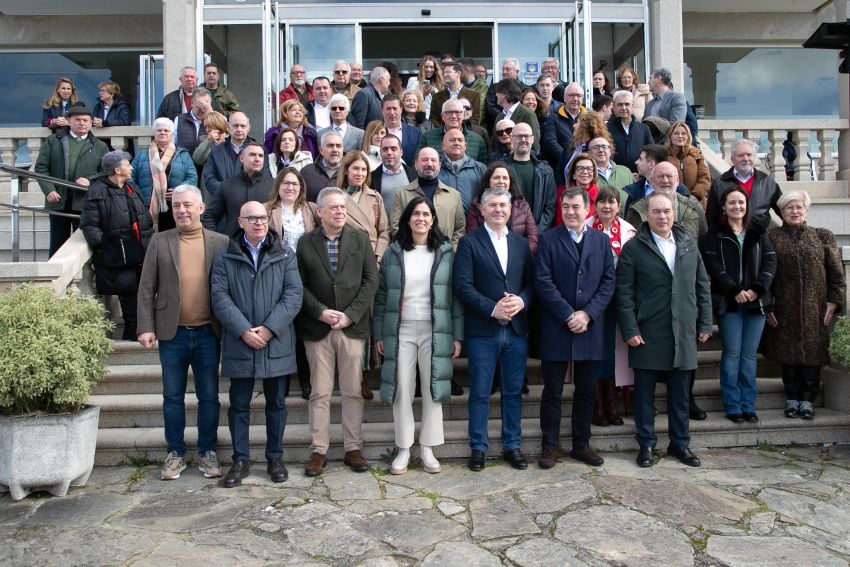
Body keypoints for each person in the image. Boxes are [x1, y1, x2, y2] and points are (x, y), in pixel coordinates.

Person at [137, 184, 230, 481]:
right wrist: (145, 326)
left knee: (209, 397)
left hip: (208, 332)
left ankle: (207, 452)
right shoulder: (160, 241)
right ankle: (175, 453)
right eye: (177, 205)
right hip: (171, 333)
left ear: (201, 208)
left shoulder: (220, 242)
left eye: (188, 205)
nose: (182, 210)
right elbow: (146, 287)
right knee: (172, 397)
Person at [616, 192, 713, 468]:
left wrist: (705, 322)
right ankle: (646, 444)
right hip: (648, 332)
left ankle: (680, 444)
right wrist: (630, 329)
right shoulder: (634, 248)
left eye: (666, 212)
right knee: (644, 396)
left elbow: (702, 286)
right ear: (647, 215)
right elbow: (624, 295)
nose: (662, 217)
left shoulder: (688, 245)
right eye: (656, 212)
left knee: (681, 395)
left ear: (673, 213)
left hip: (682, 332)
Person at [211, 200, 303, 487]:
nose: (259, 223)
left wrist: (269, 329)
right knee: (239, 405)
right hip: (241, 342)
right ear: (240, 222)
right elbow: (220, 296)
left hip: (275, 342)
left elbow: (293, 295)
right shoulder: (225, 255)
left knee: (276, 403)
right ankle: (241, 460)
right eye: (252, 218)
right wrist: (242, 330)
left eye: (263, 218)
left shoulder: (284, 252)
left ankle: (275, 458)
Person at [374, 197, 463, 475]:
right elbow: (380, 296)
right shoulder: (394, 251)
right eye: (416, 214)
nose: (421, 218)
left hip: (435, 329)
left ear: (433, 219)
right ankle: (403, 448)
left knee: (432, 388)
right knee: (402, 388)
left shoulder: (446, 252)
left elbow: (454, 297)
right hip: (401, 329)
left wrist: (457, 336)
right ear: (408, 219)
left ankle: (428, 448)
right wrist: (379, 333)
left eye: (426, 214)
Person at [297, 187, 379, 476]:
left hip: (352, 327)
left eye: (343, 207)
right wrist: (320, 311)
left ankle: (352, 448)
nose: (340, 211)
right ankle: (318, 450)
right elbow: (299, 285)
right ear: (320, 212)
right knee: (319, 392)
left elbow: (371, 280)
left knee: (353, 392)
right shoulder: (305, 243)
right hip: (317, 327)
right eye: (333, 207)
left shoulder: (359, 240)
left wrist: (350, 314)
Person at [453, 188, 535, 472]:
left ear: (511, 210)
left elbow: (531, 284)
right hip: (483, 330)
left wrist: (522, 301)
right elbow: (462, 285)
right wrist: (492, 308)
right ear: (482, 210)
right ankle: (479, 447)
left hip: (516, 330)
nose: (499, 209)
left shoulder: (522, 245)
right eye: (493, 205)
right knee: (480, 391)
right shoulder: (469, 243)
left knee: (512, 391)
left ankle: (512, 445)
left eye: (503, 205)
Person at [535, 187, 615, 468]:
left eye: (575, 207)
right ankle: (550, 446)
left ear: (587, 209)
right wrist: (569, 314)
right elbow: (543, 282)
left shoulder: (601, 242)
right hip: (557, 325)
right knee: (552, 391)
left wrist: (588, 314)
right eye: (565, 206)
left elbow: (608, 283)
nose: (570, 211)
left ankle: (581, 444)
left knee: (586, 390)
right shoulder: (548, 239)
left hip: (590, 328)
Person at [762, 191, 845, 420]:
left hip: (815, 307)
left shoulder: (822, 236)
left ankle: (807, 399)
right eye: (789, 208)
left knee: (813, 353)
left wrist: (833, 302)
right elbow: (765, 273)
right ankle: (792, 398)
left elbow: (836, 273)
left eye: (799, 207)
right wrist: (767, 304)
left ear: (806, 210)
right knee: (788, 354)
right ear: (782, 212)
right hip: (784, 307)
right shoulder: (772, 237)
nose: (794, 211)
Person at [700, 188, 776, 423]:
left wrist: (757, 289)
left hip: (756, 303)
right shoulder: (716, 234)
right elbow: (712, 265)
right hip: (729, 302)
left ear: (747, 205)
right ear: (723, 206)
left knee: (749, 356)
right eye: (732, 202)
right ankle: (733, 404)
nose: (737, 206)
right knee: (732, 354)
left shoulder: (759, 231)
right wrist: (735, 290)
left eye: (741, 202)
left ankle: (748, 405)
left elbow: (770, 261)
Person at [80, 151, 154, 340]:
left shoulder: (132, 187)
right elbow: (89, 225)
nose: (131, 167)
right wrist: (107, 246)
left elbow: (144, 218)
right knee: (129, 300)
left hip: (141, 252)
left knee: (143, 296)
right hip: (117, 257)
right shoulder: (97, 191)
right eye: (127, 164)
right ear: (117, 170)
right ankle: (132, 336)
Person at [585, 187, 637, 425]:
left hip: (619, 299)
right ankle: (596, 405)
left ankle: (612, 405)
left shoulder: (628, 231)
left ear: (619, 206)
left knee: (615, 353)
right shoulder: (584, 227)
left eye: (612, 202)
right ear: (595, 205)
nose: (607, 206)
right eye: (602, 202)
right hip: (593, 300)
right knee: (598, 351)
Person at [266, 167, 318, 400]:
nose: (290, 187)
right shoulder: (268, 210)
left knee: (302, 331)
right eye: (286, 183)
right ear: (278, 185)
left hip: (306, 276)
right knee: (282, 330)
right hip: (277, 276)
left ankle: (306, 381)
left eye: (295, 184)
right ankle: (281, 383)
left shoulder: (311, 209)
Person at [35, 104, 108, 257]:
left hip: (85, 202)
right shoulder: (53, 141)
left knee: (84, 246)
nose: (82, 123)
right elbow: (41, 168)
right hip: (58, 201)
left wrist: (89, 180)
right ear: (69, 121)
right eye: (78, 120)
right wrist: (49, 190)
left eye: (86, 120)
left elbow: (106, 172)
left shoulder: (100, 146)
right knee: (57, 244)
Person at [391, 147, 466, 251]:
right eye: (424, 160)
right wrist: (411, 249)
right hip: (410, 254)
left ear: (439, 165)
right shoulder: (401, 194)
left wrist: (451, 252)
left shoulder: (454, 195)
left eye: (433, 160)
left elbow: (460, 229)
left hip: (445, 256)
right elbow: (396, 227)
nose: (429, 164)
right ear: (416, 164)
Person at [131, 117, 198, 230]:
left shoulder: (183, 154)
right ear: (154, 133)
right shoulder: (142, 154)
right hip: (146, 205)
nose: (162, 132)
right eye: (159, 130)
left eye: (166, 130)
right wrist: (138, 196)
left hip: (174, 205)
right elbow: (130, 177)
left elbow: (192, 177)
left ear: (172, 133)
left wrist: (179, 191)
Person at [706, 138, 782, 232]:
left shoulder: (768, 183)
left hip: (759, 239)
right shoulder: (719, 184)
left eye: (749, 155)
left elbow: (785, 211)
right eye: (740, 155)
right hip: (729, 239)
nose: (746, 159)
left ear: (754, 157)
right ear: (732, 159)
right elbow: (711, 218)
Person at [466, 162, 539, 254]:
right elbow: (473, 238)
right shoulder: (476, 206)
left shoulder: (523, 205)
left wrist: (517, 256)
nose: (501, 181)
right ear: (488, 181)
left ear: (510, 182)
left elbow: (532, 237)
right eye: (496, 177)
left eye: (505, 178)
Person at [626, 161, 707, 243]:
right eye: (660, 176)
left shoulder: (693, 205)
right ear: (652, 181)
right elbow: (630, 242)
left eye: (669, 176)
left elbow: (705, 241)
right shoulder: (637, 209)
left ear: (677, 180)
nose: (665, 180)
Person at [203, 142, 273, 236]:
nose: (257, 159)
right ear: (242, 158)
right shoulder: (227, 185)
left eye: (260, 156)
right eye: (252, 155)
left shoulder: (273, 185)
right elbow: (210, 216)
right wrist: (216, 240)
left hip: (266, 246)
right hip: (233, 246)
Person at [503, 122, 556, 234]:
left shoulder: (545, 171)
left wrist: (536, 232)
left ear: (532, 139)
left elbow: (550, 206)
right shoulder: (501, 169)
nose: (523, 139)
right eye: (519, 136)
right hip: (508, 234)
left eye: (527, 136)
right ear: (511, 139)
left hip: (538, 235)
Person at [338, 150, 391, 262]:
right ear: (346, 170)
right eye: (356, 168)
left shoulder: (375, 197)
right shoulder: (335, 197)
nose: (360, 173)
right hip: (344, 256)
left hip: (370, 256)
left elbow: (385, 231)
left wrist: (378, 256)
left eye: (364, 169)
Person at [203, 111, 269, 198]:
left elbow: (264, 177)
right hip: (223, 203)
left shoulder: (259, 151)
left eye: (243, 126)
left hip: (250, 202)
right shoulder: (217, 150)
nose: (239, 129)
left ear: (248, 128)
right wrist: (227, 192)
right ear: (228, 127)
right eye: (235, 125)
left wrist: (245, 193)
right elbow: (209, 178)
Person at [419, 99, 489, 164]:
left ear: (463, 114)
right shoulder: (427, 137)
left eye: (457, 112)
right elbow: (418, 163)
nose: (454, 116)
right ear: (442, 116)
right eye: (449, 112)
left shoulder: (477, 140)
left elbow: (484, 169)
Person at [437, 128, 486, 212]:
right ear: (443, 146)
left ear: (465, 145)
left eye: (460, 140)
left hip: (472, 222)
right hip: (443, 221)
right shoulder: (435, 168)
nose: (456, 143)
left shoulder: (480, 168)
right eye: (452, 140)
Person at [607, 90, 654, 175]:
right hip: (615, 177)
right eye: (620, 104)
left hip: (639, 178)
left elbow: (651, 154)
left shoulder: (644, 129)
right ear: (613, 107)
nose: (624, 108)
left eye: (627, 104)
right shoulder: (606, 129)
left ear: (632, 106)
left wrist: (641, 174)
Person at [543, 82, 585, 173]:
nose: (575, 98)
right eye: (571, 95)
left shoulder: (589, 118)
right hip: (561, 167)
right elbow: (551, 142)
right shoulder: (553, 118)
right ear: (565, 98)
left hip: (585, 167)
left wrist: (583, 160)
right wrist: (568, 159)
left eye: (579, 96)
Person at [371, 134, 417, 215]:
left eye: (393, 149)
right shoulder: (371, 178)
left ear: (401, 152)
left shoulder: (415, 175)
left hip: (408, 226)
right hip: (383, 227)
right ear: (380, 152)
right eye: (385, 149)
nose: (389, 152)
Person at [666, 121, 710, 203]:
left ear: (688, 136)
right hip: (672, 202)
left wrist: (694, 196)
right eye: (676, 133)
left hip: (696, 203)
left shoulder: (697, 155)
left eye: (683, 133)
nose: (680, 136)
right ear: (670, 136)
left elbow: (704, 178)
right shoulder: (663, 155)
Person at [493, 79, 540, 154]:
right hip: (501, 162)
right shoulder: (499, 117)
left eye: (497, 92)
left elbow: (534, 145)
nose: (496, 95)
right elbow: (494, 144)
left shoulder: (527, 114)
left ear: (504, 94)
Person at [430, 62, 482, 128]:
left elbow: (476, 118)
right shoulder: (437, 96)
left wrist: (463, 131)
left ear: (458, 74)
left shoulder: (474, 95)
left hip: (466, 135)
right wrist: (443, 131)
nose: (445, 75)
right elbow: (433, 119)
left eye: (448, 72)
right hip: (442, 135)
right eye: (444, 73)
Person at [554, 153, 599, 226]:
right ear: (573, 174)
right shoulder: (560, 194)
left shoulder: (600, 196)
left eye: (589, 169)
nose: (585, 172)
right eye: (580, 168)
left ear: (594, 174)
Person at [301, 131, 344, 202]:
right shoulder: (307, 172)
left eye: (338, 146)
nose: (335, 149)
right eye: (330, 145)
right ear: (321, 150)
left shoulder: (350, 172)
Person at [381, 93, 422, 166]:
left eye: (395, 108)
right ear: (382, 110)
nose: (392, 112)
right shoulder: (375, 133)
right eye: (388, 109)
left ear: (401, 109)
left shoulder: (416, 133)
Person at [588, 136, 631, 200]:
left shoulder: (625, 171)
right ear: (589, 152)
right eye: (596, 147)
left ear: (610, 151)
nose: (601, 150)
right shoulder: (586, 173)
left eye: (604, 147)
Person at [172, 87, 212, 156]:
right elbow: (172, 144)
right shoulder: (179, 119)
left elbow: (223, 138)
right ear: (192, 103)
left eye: (205, 103)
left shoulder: (216, 119)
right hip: (185, 164)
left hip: (207, 164)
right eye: (199, 103)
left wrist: (210, 113)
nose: (202, 108)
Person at [406, 55, 443, 121]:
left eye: (431, 67)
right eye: (426, 67)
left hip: (432, 120)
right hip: (417, 119)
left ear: (435, 69)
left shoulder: (437, 86)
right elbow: (409, 101)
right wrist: (423, 95)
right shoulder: (413, 81)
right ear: (422, 68)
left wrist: (434, 94)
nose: (429, 70)